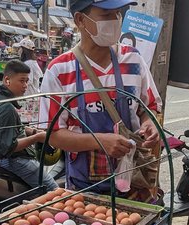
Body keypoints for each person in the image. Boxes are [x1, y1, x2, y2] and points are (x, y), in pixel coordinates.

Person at [39, 0, 161, 197]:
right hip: (85, 187)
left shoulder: (133, 59)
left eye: (118, 14)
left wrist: (150, 123)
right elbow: (53, 134)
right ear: (80, 19)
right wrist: (99, 141)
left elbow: (149, 108)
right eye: (106, 14)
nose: (115, 20)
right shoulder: (60, 70)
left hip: (134, 179)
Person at [0, 60, 58, 192]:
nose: (26, 85)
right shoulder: (6, 108)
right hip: (10, 160)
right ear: (7, 79)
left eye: (27, 81)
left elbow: (9, 128)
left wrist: (32, 131)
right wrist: (37, 137)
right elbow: (10, 147)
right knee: (54, 191)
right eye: (22, 81)